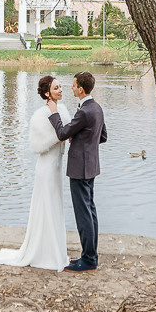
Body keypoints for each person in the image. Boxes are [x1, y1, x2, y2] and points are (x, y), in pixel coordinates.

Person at [0, 75, 71, 271]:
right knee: (45, 206)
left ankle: (56, 251)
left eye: (61, 87)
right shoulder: (39, 115)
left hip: (57, 167)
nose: (61, 90)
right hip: (45, 168)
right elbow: (36, 145)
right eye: (56, 88)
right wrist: (58, 138)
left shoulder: (63, 110)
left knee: (56, 206)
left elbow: (69, 132)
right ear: (47, 93)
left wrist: (66, 137)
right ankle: (42, 253)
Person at [47, 70, 107, 272]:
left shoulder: (84, 112)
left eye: (73, 85)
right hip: (91, 166)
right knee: (90, 211)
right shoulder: (96, 108)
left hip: (80, 168)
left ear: (81, 89)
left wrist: (54, 114)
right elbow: (102, 136)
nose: (70, 87)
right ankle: (90, 256)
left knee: (83, 214)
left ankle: (88, 260)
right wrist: (82, 137)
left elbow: (63, 133)